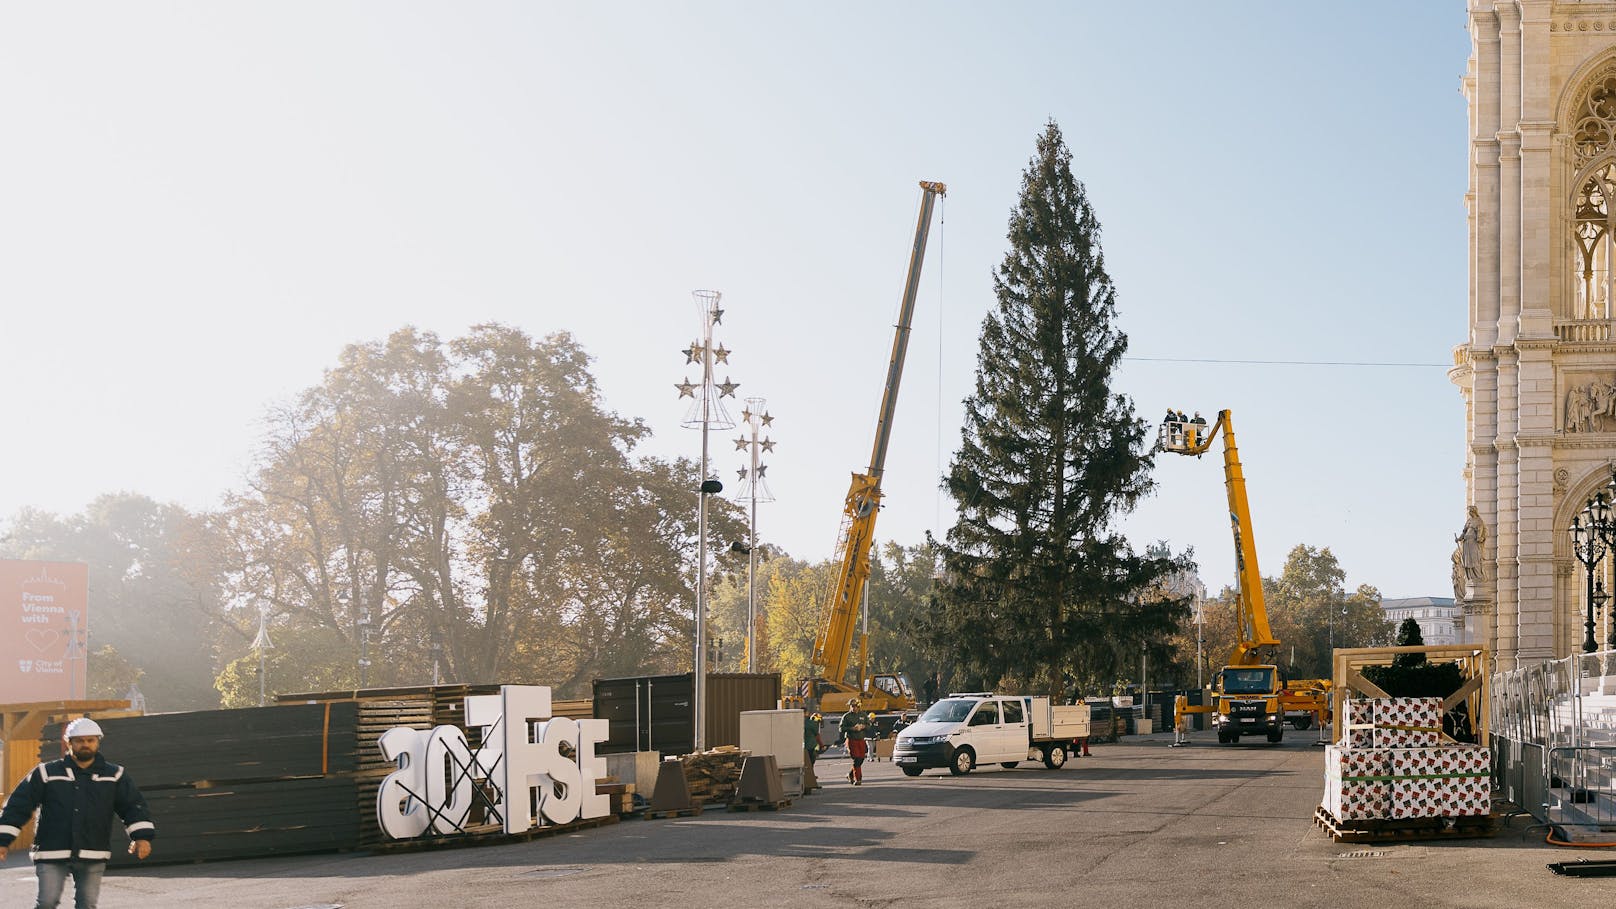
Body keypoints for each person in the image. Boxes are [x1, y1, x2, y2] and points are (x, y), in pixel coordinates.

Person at [0, 718, 156, 909]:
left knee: (87, 905)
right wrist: (3, 840)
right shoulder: (46, 773)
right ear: (69, 742)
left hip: (93, 851)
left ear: (98, 742)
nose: (85, 745)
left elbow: (132, 806)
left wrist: (142, 837)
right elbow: (18, 805)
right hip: (52, 851)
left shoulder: (114, 775)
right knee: (46, 903)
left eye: (90, 740)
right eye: (80, 740)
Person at [839, 699, 872, 786]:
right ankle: (858, 779)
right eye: (851, 706)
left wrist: (863, 726)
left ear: (859, 706)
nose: (853, 708)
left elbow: (869, 726)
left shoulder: (863, 715)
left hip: (861, 739)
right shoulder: (846, 716)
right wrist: (852, 728)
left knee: (861, 759)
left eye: (855, 706)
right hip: (852, 739)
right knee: (856, 758)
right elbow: (841, 728)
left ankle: (850, 774)